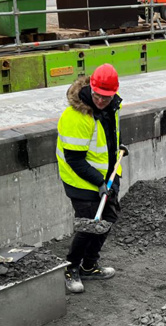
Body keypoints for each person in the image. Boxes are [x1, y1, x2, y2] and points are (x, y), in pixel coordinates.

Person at [56, 63, 124, 294]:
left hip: (107, 176)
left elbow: (109, 137)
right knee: (88, 225)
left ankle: (89, 265)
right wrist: (99, 182)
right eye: (97, 95)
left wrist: (117, 151)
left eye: (106, 97)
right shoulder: (75, 116)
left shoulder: (112, 107)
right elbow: (74, 160)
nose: (101, 101)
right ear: (91, 88)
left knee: (107, 219)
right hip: (81, 180)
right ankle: (71, 268)